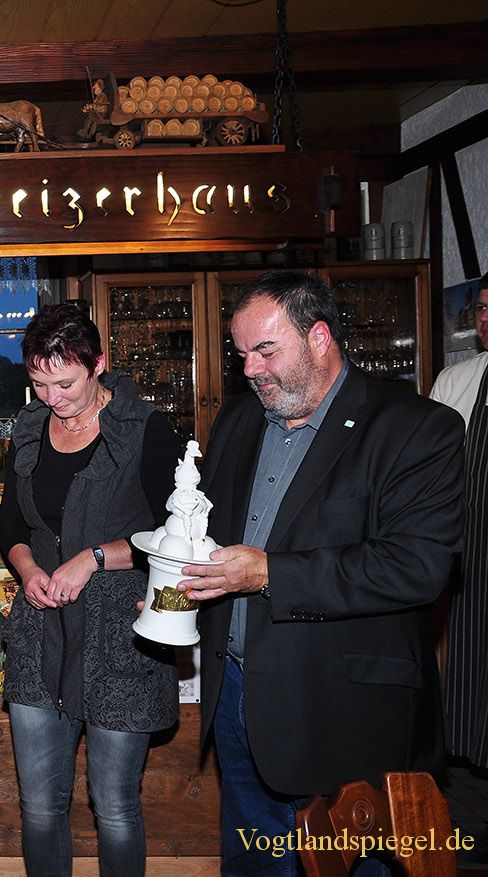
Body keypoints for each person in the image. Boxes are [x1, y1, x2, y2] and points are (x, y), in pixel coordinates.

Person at [182, 271, 464, 875]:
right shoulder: (238, 420)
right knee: (254, 864)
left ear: (319, 337)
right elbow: (207, 532)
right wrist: (171, 588)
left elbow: (416, 568)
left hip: (344, 712)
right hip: (236, 698)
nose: (251, 369)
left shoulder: (417, 428)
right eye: (241, 354)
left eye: (266, 350)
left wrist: (269, 574)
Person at [0, 304, 184, 877]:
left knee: (115, 806)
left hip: (119, 637)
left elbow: (180, 536)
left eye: (65, 383)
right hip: (40, 634)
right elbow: (12, 525)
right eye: (39, 383)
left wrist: (95, 558)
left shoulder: (144, 429)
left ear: (98, 364)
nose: (51, 397)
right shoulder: (30, 428)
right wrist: (27, 568)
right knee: (39, 807)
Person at [430, 273, 488, 775]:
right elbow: (431, 470)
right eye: (483, 309)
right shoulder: (455, 381)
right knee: (470, 669)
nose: (487, 319)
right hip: (471, 551)